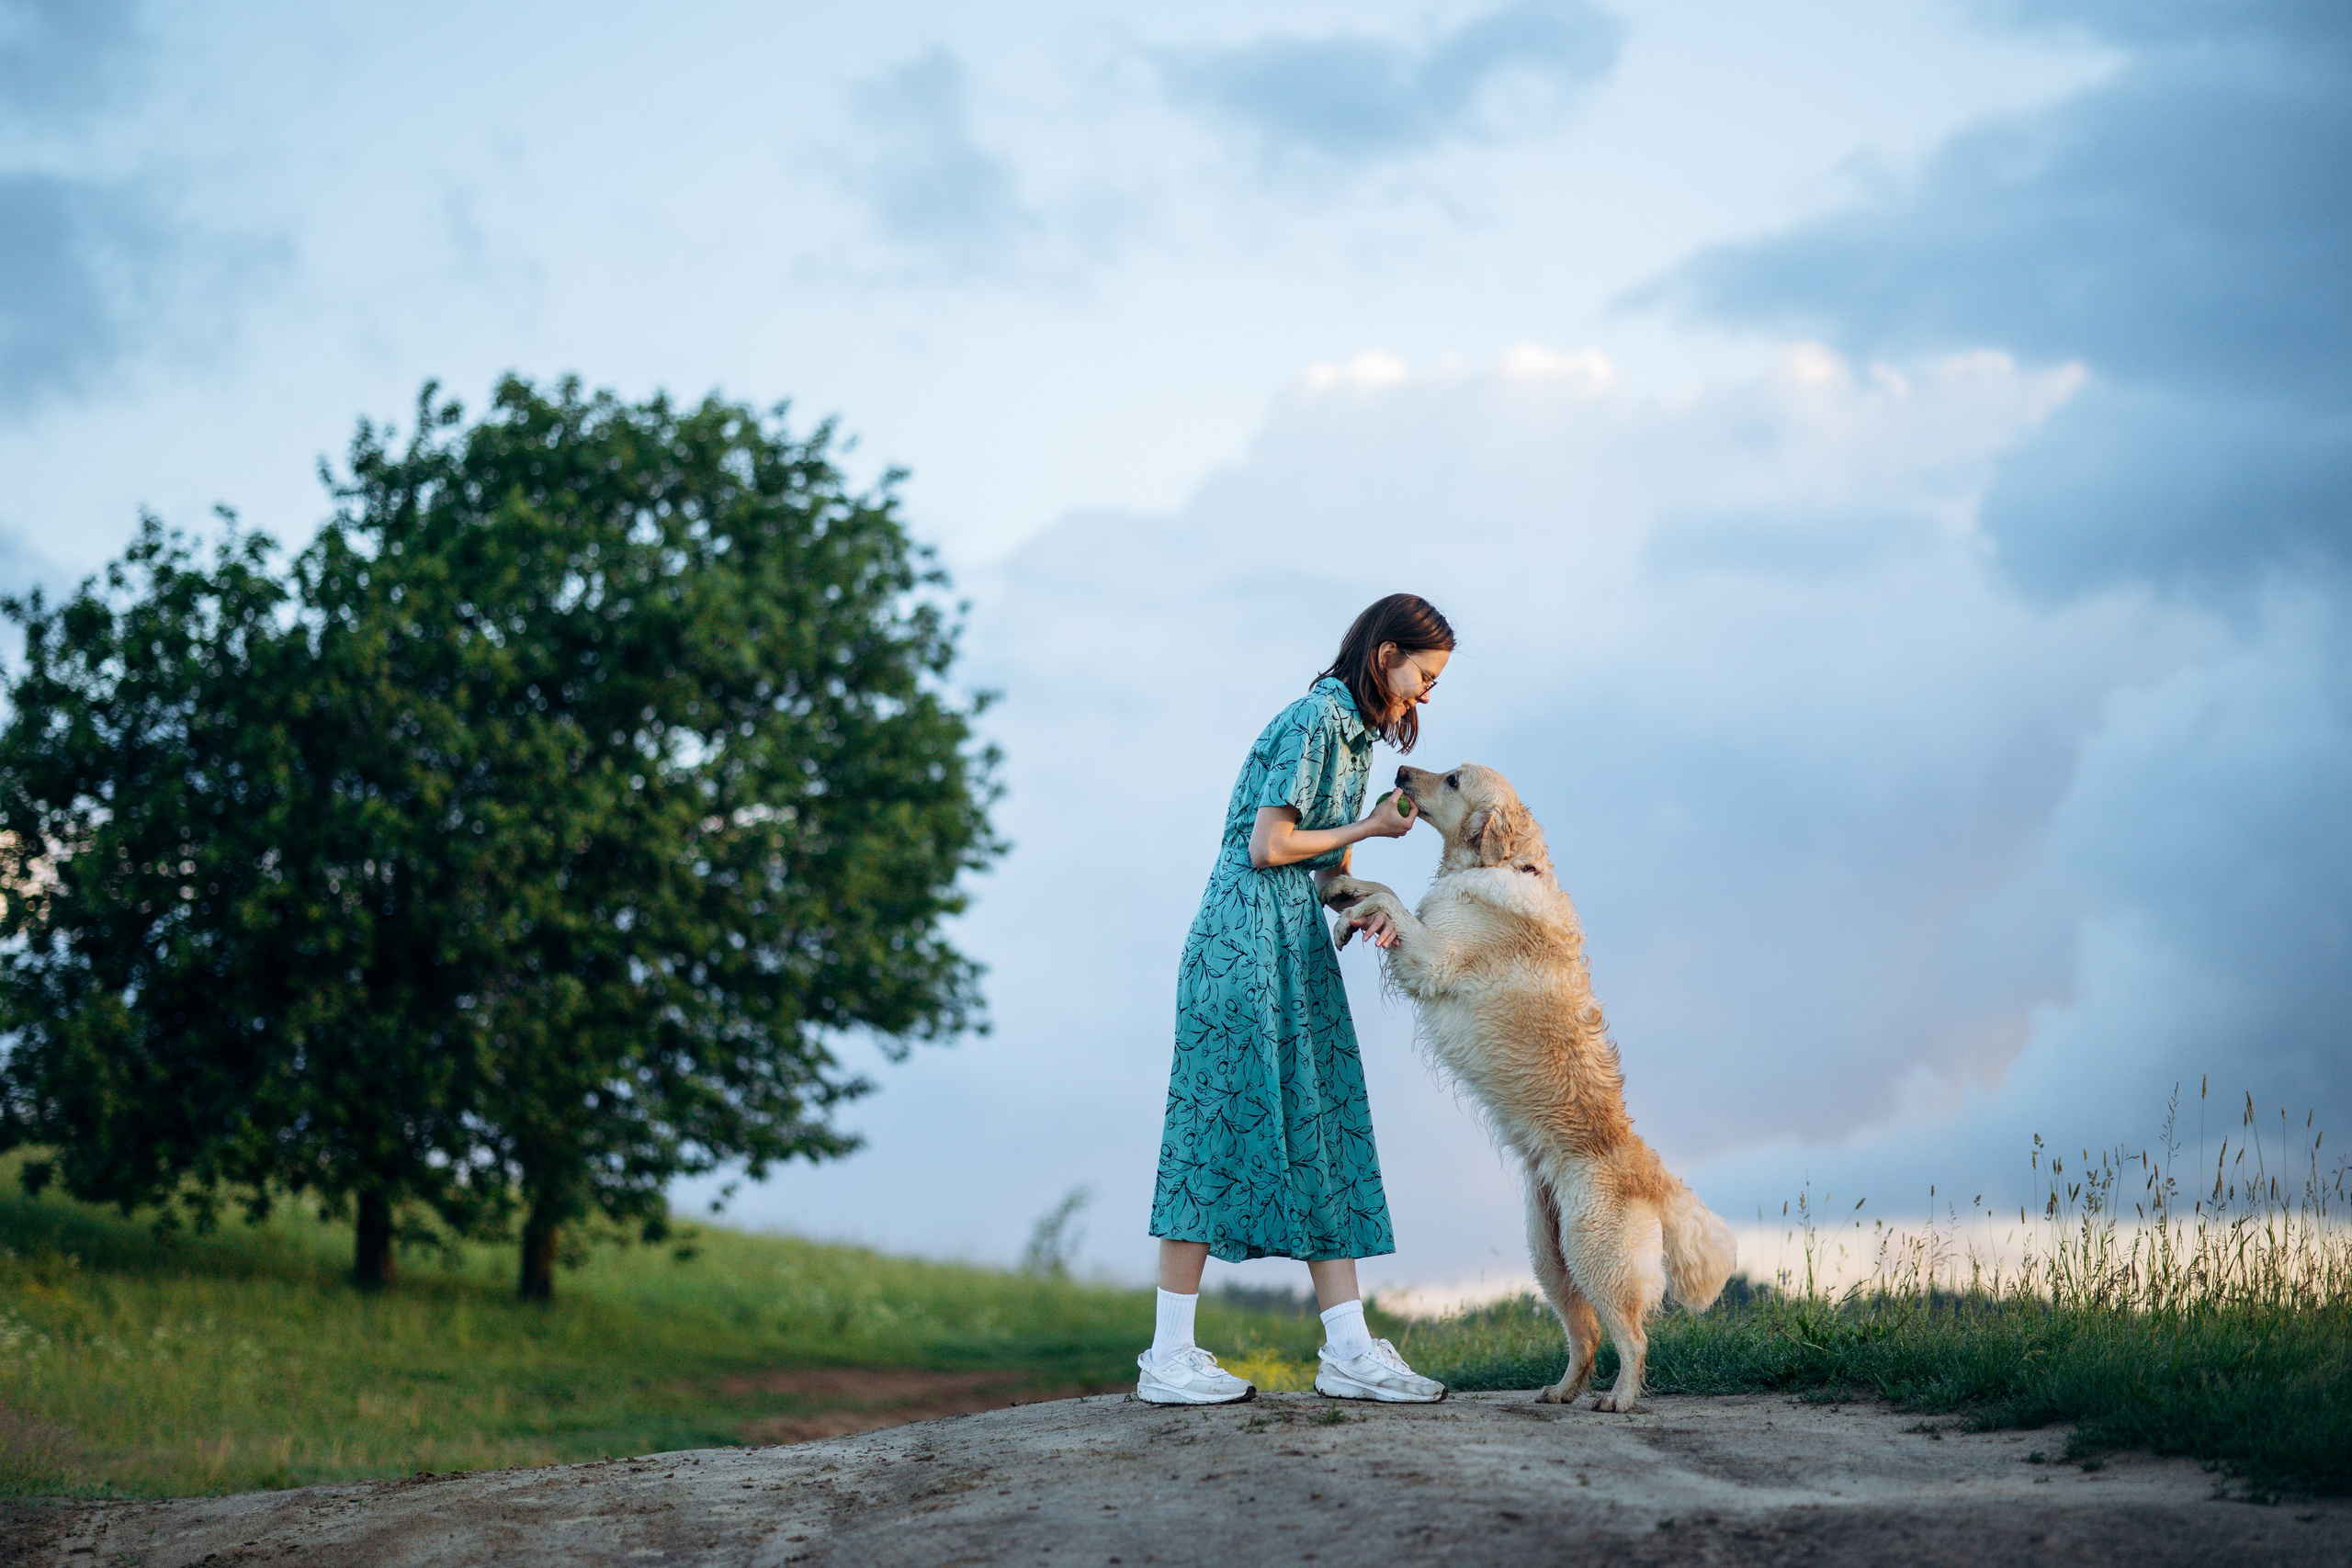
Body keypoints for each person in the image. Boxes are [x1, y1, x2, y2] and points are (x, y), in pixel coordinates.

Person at [1138, 592, 1456, 1404]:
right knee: (1211, 1131)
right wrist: (1373, 831)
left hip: (1288, 940)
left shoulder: (1350, 736)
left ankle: (1348, 1348)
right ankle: (1166, 1357)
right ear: (1386, 654)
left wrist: (1365, 905)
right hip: (1239, 943)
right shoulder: (1313, 721)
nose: (1423, 697)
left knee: (1324, 1124)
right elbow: (1267, 844)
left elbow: (1314, 872)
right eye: (1422, 676)